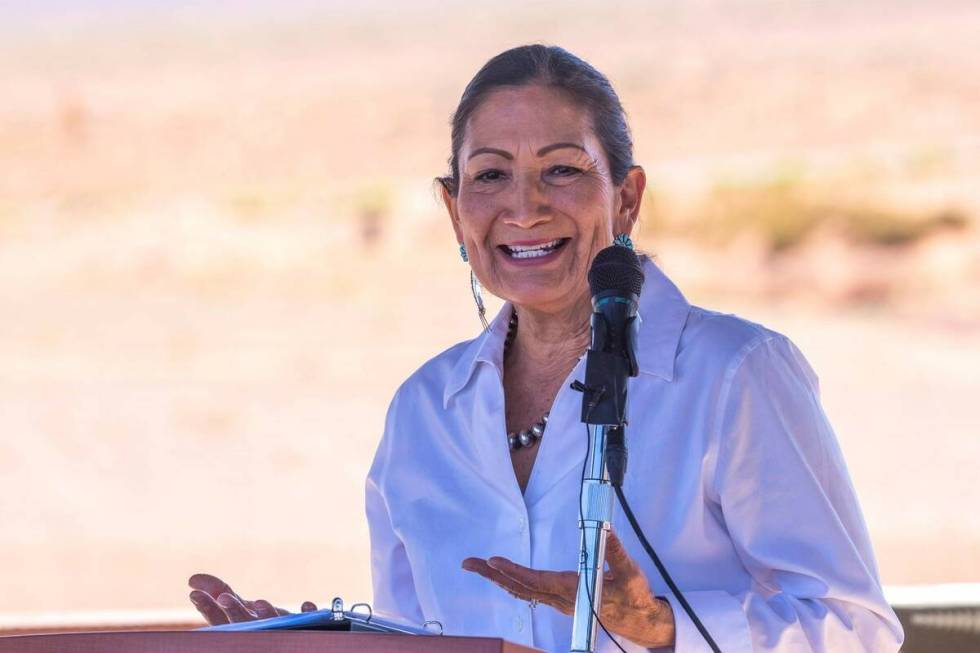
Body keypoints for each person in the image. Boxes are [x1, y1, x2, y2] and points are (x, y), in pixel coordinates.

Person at [188, 45, 904, 652]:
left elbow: (857, 628)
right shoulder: (422, 412)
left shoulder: (736, 373)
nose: (525, 208)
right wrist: (310, 642)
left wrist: (660, 627)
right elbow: (423, 633)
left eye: (562, 169)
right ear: (452, 207)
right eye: (491, 175)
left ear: (626, 198)